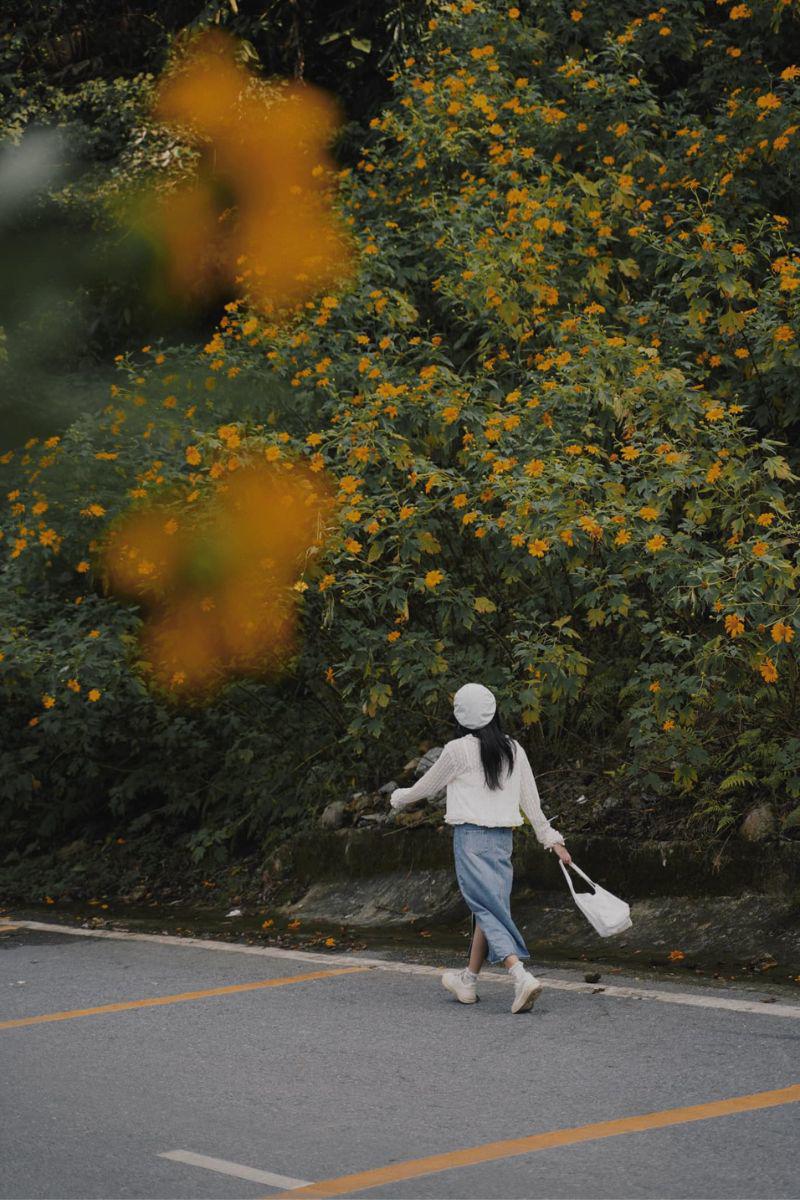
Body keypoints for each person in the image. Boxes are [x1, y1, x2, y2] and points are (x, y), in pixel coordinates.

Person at [389, 682, 572, 1014]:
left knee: (486, 909)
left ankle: (520, 976)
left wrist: (398, 798)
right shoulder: (514, 749)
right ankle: (468, 981)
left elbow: (425, 788)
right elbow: (531, 802)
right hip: (503, 842)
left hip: (471, 840)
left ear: (460, 716)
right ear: (493, 712)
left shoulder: (457, 750)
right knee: (490, 909)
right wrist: (552, 839)